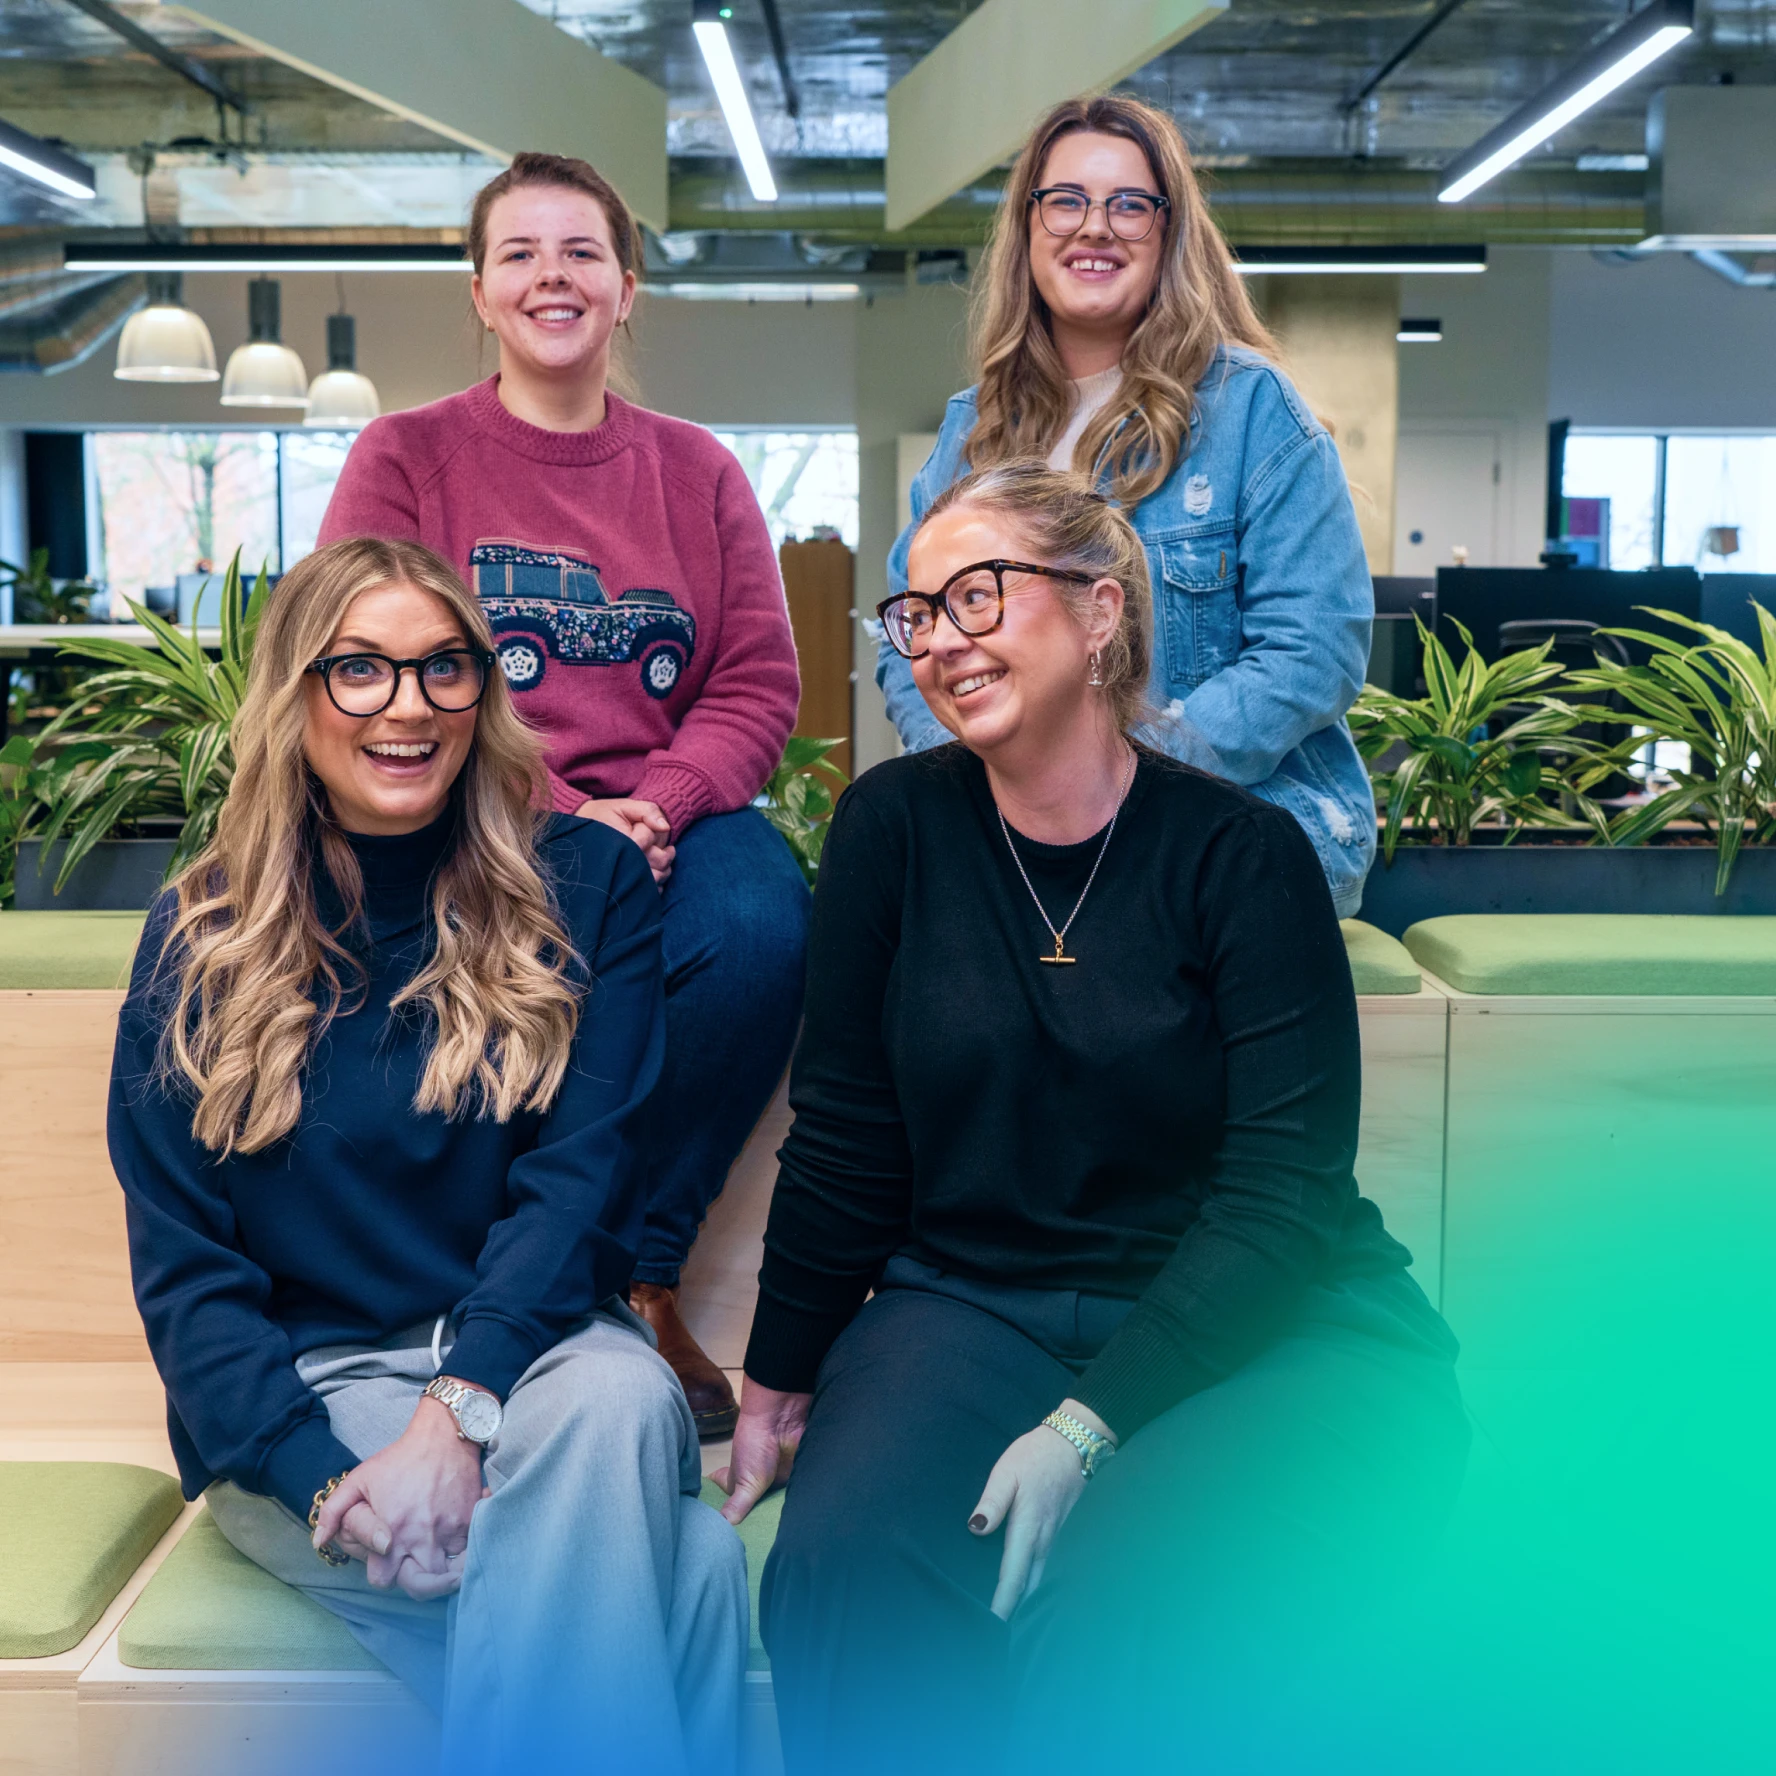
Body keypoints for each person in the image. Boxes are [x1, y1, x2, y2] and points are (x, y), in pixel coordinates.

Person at [718, 467, 1468, 1773]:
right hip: (979, 1302)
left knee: (1120, 1606)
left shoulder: (1244, 858)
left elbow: (1281, 1197)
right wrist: (779, 1379)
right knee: (846, 1567)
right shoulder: (892, 830)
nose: (940, 637)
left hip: (1269, 1331)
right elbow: (846, 1132)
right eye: (917, 613)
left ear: (1102, 613)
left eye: (977, 595)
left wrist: (1086, 1428)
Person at [109, 537, 747, 1776]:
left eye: (442, 669)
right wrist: (314, 1473)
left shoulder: (590, 884)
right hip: (307, 1392)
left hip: (548, 1358)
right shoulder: (205, 931)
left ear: (482, 693)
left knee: (621, 1396)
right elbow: (184, 1271)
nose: (408, 705)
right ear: (297, 698)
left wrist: (455, 1420)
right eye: (360, 671)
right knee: (699, 1570)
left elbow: (582, 1188)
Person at [318, 152, 810, 1436]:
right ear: (479, 292)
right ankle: (484, 1273)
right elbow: (365, 665)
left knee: (762, 921)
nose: (553, 276)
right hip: (463, 812)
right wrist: (548, 816)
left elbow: (758, 679)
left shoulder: (696, 470)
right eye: (522, 254)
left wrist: (654, 802)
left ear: (627, 287)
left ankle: (629, 1274)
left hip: (663, 813)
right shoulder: (408, 456)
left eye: (581, 252)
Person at [879, 93, 1377, 919]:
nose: (1095, 227)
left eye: (1129, 205)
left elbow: (1312, 650)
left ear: (1168, 231)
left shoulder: (1253, 411)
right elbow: (911, 643)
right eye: (1066, 200)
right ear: (1029, 227)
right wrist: (986, 785)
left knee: (1114, 927)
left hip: (1237, 814)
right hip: (1019, 824)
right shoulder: (973, 433)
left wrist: (1119, 784)